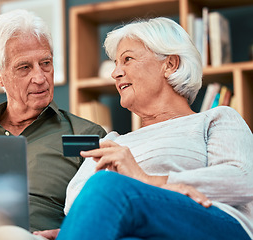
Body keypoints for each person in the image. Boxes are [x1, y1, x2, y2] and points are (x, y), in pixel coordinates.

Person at [44, 17, 253, 240]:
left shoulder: (217, 119)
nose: (115, 73)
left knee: (107, 184)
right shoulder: (115, 142)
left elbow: (243, 179)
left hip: (217, 226)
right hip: (144, 229)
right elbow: (76, 201)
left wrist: (148, 181)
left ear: (170, 64)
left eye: (127, 59)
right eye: (115, 63)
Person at [0, 9, 107, 233]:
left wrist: (70, 234)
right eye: (25, 67)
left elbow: (102, 214)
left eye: (46, 63)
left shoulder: (85, 135)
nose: (41, 77)